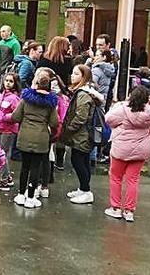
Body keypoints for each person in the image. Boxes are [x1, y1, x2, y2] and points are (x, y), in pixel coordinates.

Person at [104, 86, 150, 222]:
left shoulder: (122, 109)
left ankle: (115, 208)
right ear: (147, 99)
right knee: (133, 180)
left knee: (116, 177)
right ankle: (129, 211)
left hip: (121, 149)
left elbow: (108, 119)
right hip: (141, 150)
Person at [10, 71, 59, 209]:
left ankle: (20, 194)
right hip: (41, 138)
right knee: (35, 168)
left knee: (24, 166)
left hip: (24, 136)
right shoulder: (50, 104)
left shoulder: (26, 99)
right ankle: (31, 197)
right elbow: (55, 122)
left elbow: (15, 117)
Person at [61, 64, 103, 205]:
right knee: (82, 161)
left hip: (82, 135)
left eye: (76, 74)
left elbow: (81, 117)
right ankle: (83, 188)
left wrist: (69, 128)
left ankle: (86, 190)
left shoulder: (83, 94)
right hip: (82, 135)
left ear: (83, 77)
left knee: (78, 161)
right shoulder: (85, 92)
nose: (72, 76)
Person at [0, 72, 22, 191]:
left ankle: (5, 179)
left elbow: (17, 114)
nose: (8, 83)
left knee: (2, 154)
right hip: (1, 128)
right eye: (6, 80)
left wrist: (5, 118)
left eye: (11, 81)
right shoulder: (3, 95)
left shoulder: (13, 98)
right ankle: (6, 178)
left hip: (8, 130)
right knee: (2, 153)